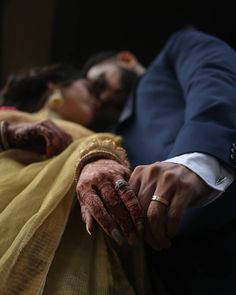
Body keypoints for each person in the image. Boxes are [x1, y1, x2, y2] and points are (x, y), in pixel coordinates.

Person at [74, 28, 236, 294]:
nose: (101, 98)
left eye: (101, 83)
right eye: (96, 97)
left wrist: (196, 161)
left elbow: (214, 79)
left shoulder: (178, 46)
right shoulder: (110, 136)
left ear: (125, 59)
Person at [0, 64, 162, 294]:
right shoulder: (9, 117)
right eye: (89, 88)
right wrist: (7, 134)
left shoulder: (96, 138)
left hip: (68, 250)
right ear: (54, 85)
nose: (98, 100)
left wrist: (96, 159)